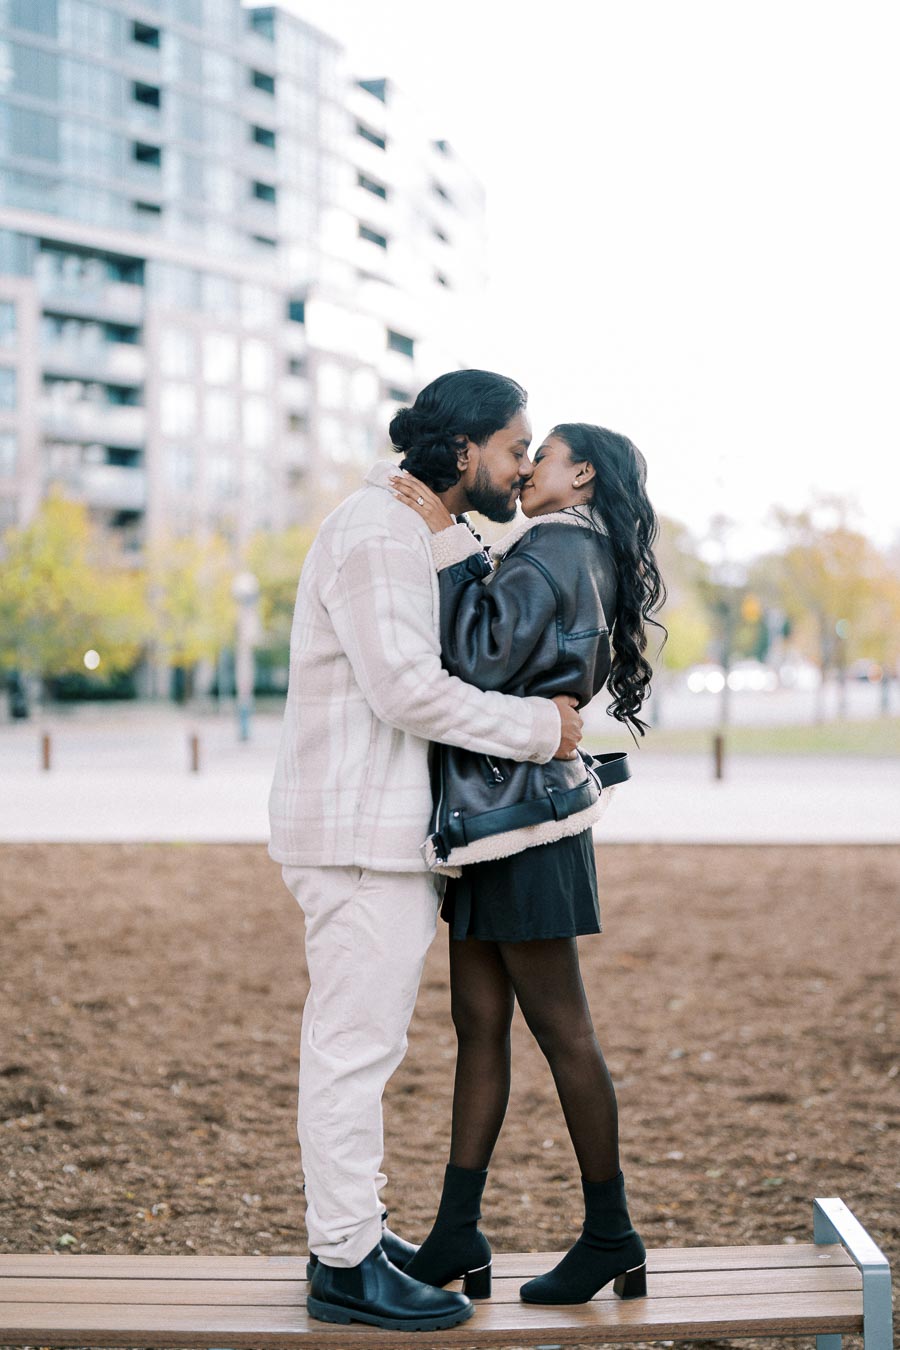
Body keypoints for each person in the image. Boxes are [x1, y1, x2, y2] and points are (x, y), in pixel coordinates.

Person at [267, 370, 585, 1331]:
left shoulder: (403, 526)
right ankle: (344, 1266)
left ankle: (354, 1235)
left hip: (375, 834)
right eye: (515, 449)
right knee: (352, 1052)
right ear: (463, 453)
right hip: (358, 839)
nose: (525, 466)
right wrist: (544, 729)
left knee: (364, 1044)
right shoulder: (375, 536)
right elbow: (407, 687)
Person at [389, 421, 665, 1305]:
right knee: (479, 1022)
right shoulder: (565, 549)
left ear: (578, 475)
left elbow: (471, 655)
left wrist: (441, 541)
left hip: (521, 823)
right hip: (498, 815)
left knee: (563, 1029)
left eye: (539, 454)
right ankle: (457, 1231)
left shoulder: (552, 545)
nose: (525, 468)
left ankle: (612, 1234)